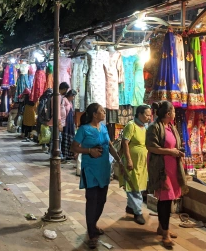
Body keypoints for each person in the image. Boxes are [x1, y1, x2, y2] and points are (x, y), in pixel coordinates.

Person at [70, 103, 123, 249]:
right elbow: (74, 147)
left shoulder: (104, 127)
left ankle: (93, 224)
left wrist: (119, 160)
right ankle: (92, 233)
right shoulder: (84, 129)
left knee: (102, 199)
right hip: (91, 170)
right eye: (102, 111)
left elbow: (110, 145)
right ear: (94, 114)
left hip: (104, 169)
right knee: (92, 200)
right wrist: (89, 151)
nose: (104, 113)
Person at [146, 101, 189, 248]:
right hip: (161, 169)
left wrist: (178, 152)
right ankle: (165, 234)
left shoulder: (170, 126)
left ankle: (162, 228)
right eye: (174, 111)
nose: (175, 113)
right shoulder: (154, 127)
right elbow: (151, 147)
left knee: (168, 199)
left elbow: (173, 144)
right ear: (168, 114)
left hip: (172, 168)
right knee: (164, 200)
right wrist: (170, 152)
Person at [121, 105, 152, 225]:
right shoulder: (131, 125)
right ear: (139, 114)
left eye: (150, 115)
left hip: (142, 162)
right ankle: (138, 212)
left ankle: (130, 206)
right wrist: (128, 160)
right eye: (146, 115)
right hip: (132, 162)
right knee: (134, 186)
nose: (149, 117)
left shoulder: (145, 127)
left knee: (140, 184)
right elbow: (125, 143)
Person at [47, 82, 70, 156]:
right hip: (56, 122)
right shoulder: (57, 97)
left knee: (56, 139)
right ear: (64, 89)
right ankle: (56, 155)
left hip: (57, 122)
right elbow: (56, 111)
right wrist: (59, 123)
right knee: (57, 139)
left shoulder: (58, 97)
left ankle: (56, 154)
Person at [61, 89, 77, 163]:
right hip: (66, 121)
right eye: (73, 96)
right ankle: (64, 154)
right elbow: (62, 111)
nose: (73, 98)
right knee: (65, 136)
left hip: (70, 122)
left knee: (71, 136)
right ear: (70, 95)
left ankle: (69, 154)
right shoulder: (64, 100)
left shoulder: (70, 102)